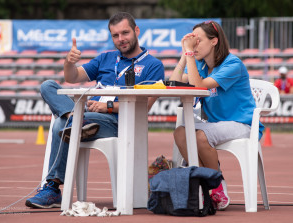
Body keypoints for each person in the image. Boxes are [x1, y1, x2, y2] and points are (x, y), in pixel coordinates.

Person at [25, 12, 164, 209]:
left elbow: (145, 107)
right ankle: (75, 119)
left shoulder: (153, 65)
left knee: (60, 123)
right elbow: (72, 77)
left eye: (125, 33)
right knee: (48, 85)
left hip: (118, 122)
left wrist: (107, 107)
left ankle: (53, 189)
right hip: (88, 116)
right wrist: (69, 62)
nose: (121, 39)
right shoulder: (105, 58)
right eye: (115, 35)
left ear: (136, 31)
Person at [169, 21, 264, 211]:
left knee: (199, 136)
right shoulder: (201, 65)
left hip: (242, 124)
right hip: (215, 125)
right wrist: (184, 55)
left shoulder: (232, 64)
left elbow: (198, 88)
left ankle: (217, 185)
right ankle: (206, 182)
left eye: (198, 41)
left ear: (214, 41)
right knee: (180, 133)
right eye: (192, 41)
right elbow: (174, 83)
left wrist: (189, 54)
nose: (194, 45)